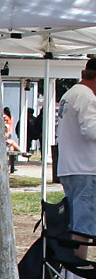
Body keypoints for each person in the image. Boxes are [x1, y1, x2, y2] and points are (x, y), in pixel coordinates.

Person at [56, 59, 96, 258]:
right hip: (85, 169)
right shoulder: (87, 97)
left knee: (77, 224)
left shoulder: (71, 94)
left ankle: (71, 276)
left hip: (71, 167)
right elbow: (91, 130)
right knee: (83, 228)